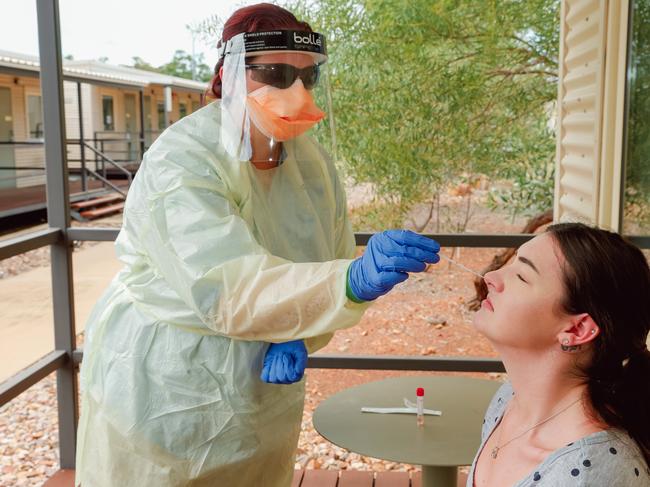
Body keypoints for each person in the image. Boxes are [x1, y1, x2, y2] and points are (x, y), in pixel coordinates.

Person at [74, 3, 440, 486]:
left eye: (306, 79)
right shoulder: (183, 159)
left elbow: (321, 256)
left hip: (261, 384)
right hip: (169, 383)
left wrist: (297, 330)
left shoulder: (311, 163)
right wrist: (348, 281)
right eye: (275, 73)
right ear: (228, 74)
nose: (296, 93)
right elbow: (224, 286)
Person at [469, 223, 649, 486]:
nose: (491, 277)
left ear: (576, 329)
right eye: (512, 263)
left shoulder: (593, 473)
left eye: (521, 276)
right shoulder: (507, 401)